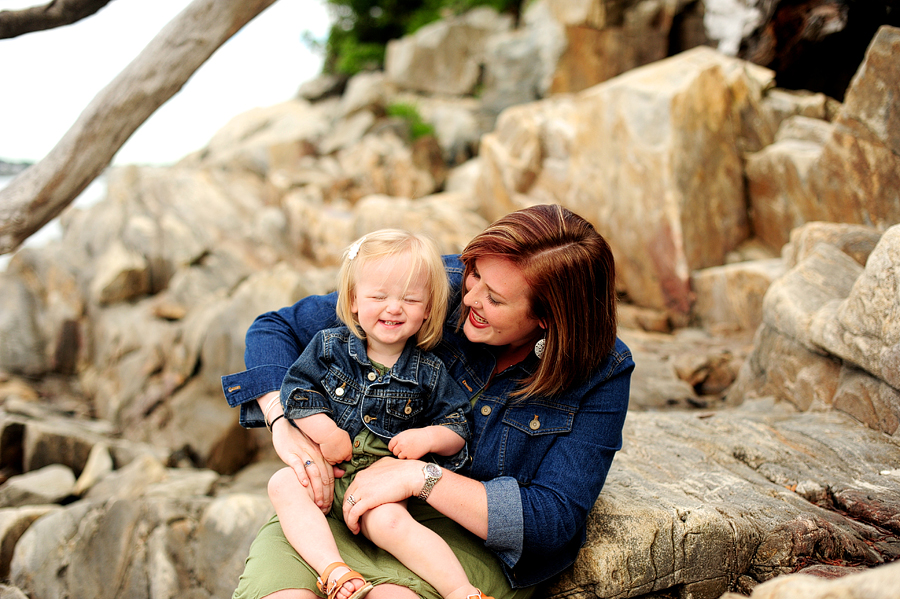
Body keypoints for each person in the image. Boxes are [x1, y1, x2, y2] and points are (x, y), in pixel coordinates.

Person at [222, 204, 634, 599]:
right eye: (475, 276)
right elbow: (275, 328)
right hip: (345, 495)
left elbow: (552, 520)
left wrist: (419, 477)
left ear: (548, 318)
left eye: (495, 299)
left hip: (461, 538)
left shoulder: (602, 370)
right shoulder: (431, 285)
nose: (470, 299)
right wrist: (282, 421)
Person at [266, 229, 491, 599]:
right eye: (379, 296)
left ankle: (461, 590)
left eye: (410, 299)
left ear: (428, 309)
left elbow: (458, 425)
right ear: (353, 300)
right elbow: (296, 391)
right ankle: (333, 569)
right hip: (325, 470)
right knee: (282, 484)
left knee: (388, 522)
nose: (393, 308)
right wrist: (324, 432)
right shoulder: (329, 347)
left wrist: (428, 437)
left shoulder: (429, 371)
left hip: (380, 485)